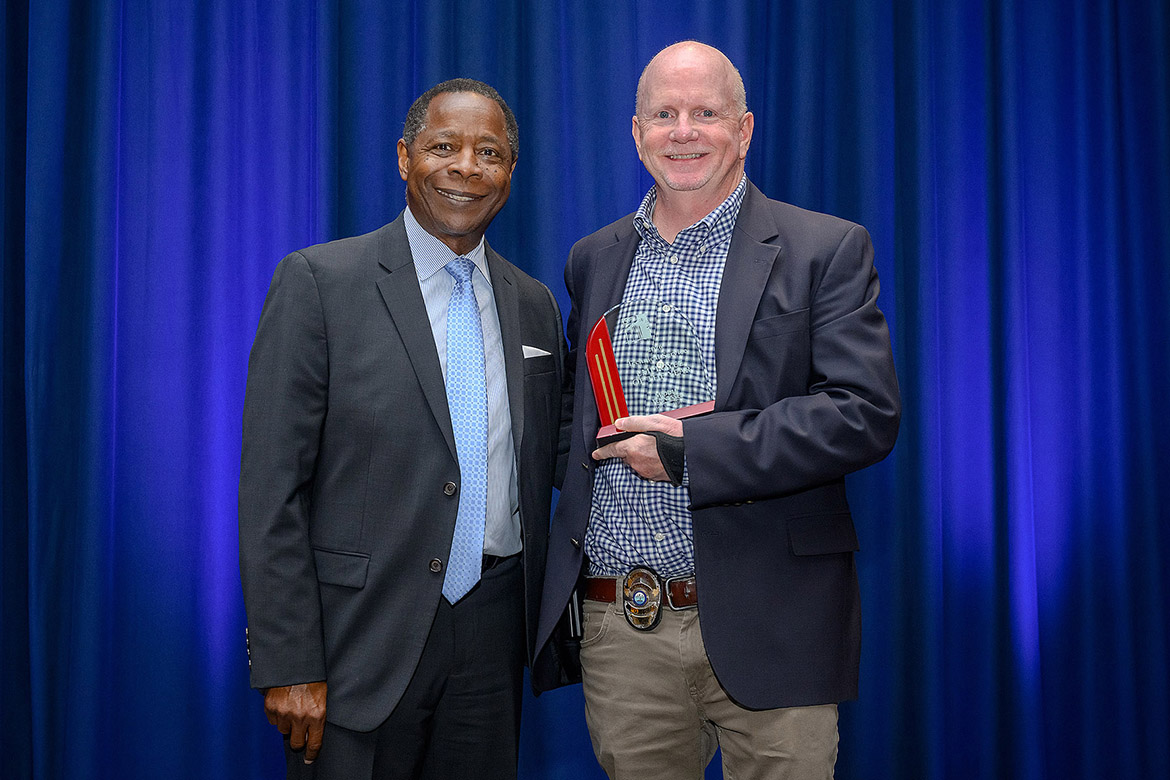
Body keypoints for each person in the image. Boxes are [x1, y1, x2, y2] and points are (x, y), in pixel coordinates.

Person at [532, 42, 901, 779]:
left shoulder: (823, 248)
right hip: (623, 624)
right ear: (636, 133)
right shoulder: (593, 257)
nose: (684, 131)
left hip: (774, 620)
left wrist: (694, 449)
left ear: (745, 129)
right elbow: (573, 419)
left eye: (706, 113)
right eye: (663, 114)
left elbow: (863, 412)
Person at [239, 78, 565, 780]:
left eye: (490, 152)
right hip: (357, 645)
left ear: (511, 170)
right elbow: (272, 491)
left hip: (492, 636)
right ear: (403, 157)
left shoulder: (536, 304)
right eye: (443, 147)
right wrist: (289, 658)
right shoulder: (319, 283)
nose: (465, 168)